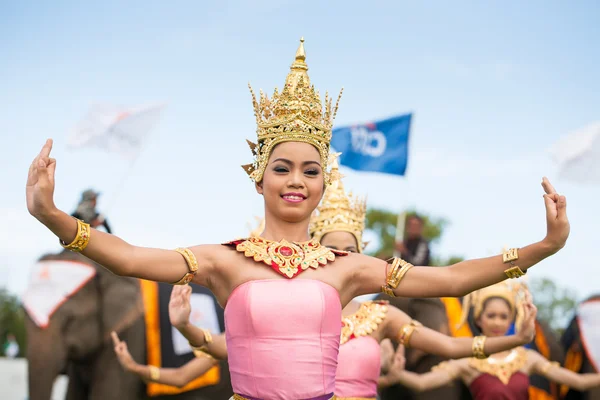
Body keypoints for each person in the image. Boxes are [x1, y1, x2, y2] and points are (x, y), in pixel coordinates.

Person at [26, 38, 570, 400]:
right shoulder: (223, 260)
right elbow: (128, 257)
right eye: (282, 168)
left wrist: (543, 247)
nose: (296, 180)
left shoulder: (349, 268)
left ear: (322, 184)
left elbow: (450, 280)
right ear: (258, 177)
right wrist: (52, 215)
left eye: (310, 170)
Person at [148, 165, 540, 400]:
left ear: (360, 258)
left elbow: (450, 329)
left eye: (348, 251)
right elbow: (224, 348)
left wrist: (540, 252)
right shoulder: (279, 310)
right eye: (329, 249)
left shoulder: (379, 316)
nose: (338, 258)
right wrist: (184, 326)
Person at [387, 282, 600, 399]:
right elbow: (422, 383)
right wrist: (396, 372)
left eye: (503, 317)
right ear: (479, 319)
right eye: (491, 316)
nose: (498, 322)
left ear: (511, 320)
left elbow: (578, 381)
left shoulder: (527, 359)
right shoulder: (468, 362)